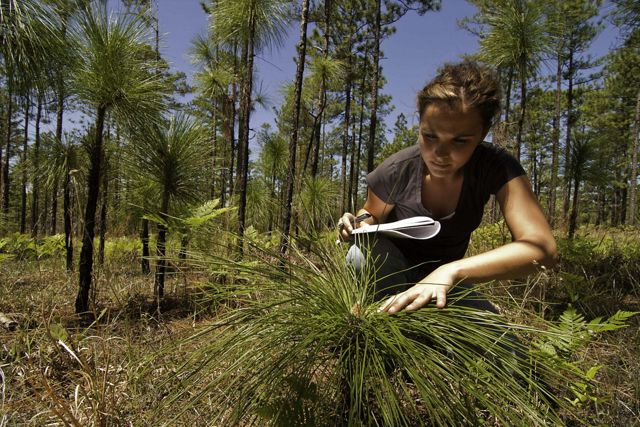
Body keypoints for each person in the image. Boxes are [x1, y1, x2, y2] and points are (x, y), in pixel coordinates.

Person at [338, 61, 557, 315]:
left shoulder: (495, 167)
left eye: (460, 141)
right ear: (419, 126)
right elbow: (371, 214)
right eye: (429, 136)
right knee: (359, 255)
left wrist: (450, 271)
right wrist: (357, 221)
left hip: (445, 283)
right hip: (392, 273)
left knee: (507, 350)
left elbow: (543, 249)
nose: (440, 154)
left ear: (483, 132)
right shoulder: (398, 169)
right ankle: (377, 318)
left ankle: (434, 319)